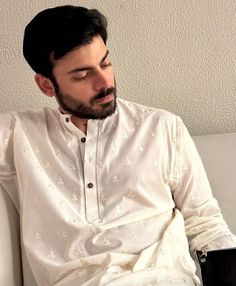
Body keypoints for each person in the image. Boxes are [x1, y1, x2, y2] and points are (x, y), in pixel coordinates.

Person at [1, 5, 236, 286]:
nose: (104, 82)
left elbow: (205, 222)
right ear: (46, 85)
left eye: (105, 63)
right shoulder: (19, 133)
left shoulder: (162, 127)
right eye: (82, 75)